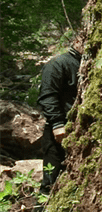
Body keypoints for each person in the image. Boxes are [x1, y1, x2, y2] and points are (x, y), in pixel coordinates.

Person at [36, 47, 80, 193]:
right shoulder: (58, 64)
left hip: (80, 131)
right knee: (51, 181)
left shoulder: (89, 65)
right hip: (58, 132)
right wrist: (57, 124)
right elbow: (47, 96)